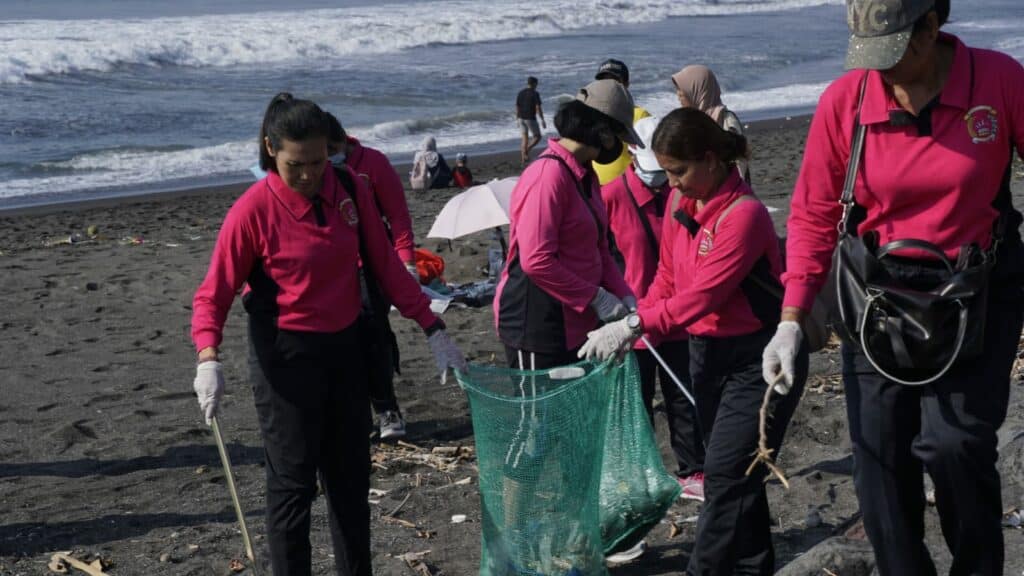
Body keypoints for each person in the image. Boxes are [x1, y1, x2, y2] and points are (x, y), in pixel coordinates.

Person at [762, 1, 1024, 573]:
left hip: (975, 292)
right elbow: (810, 213)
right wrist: (790, 319)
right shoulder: (847, 101)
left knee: (955, 448)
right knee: (878, 460)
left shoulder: (999, 81)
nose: (879, 71)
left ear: (931, 26)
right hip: (877, 300)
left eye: (892, 54)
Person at [191, 93, 466, 575]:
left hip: (346, 351)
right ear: (270, 149)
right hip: (286, 361)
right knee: (293, 487)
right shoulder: (250, 213)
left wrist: (432, 325)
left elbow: (385, 265)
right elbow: (212, 295)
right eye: (297, 164)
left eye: (319, 161)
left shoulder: (347, 188)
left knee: (349, 484)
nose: (309, 174)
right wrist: (208, 358)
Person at [580, 108, 807, 574]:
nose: (672, 182)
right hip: (706, 356)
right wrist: (637, 319)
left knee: (723, 476)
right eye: (666, 172)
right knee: (741, 477)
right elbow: (667, 277)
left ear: (709, 159)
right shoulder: (682, 205)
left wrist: (634, 327)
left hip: (758, 357)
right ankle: (754, 567)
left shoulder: (743, 216)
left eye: (678, 171)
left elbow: (703, 295)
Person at [599, 115, 705, 502]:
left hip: (674, 318)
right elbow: (596, 257)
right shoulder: (609, 198)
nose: (661, 182)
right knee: (635, 406)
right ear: (631, 155)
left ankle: (693, 470)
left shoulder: (677, 194)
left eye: (666, 173)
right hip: (628, 323)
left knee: (682, 399)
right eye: (653, 173)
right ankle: (637, 476)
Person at [325, 113, 417, 440]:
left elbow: (399, 218)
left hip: (372, 265)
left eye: (331, 149)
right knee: (339, 342)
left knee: (374, 334)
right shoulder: (316, 171)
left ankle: (386, 406)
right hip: (331, 268)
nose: (326, 157)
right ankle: (355, 412)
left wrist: (407, 266)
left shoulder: (372, 164)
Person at [671, 64, 751, 181]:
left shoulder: (726, 120)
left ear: (698, 90)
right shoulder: (690, 122)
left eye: (682, 90)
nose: (678, 94)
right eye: (677, 89)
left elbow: (739, 164)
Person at [591, 59, 652, 185]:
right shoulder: (590, 113)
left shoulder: (640, 115)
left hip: (625, 190)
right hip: (594, 188)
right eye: (604, 81)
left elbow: (651, 159)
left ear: (627, 84)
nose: (609, 85)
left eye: (614, 81)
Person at [515, 76, 546, 166]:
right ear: (534, 84)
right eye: (537, 84)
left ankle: (523, 161)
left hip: (521, 118)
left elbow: (517, 106)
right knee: (537, 137)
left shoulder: (520, 92)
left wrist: (517, 118)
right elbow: (538, 107)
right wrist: (542, 119)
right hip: (530, 118)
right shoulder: (535, 93)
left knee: (525, 138)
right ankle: (526, 151)